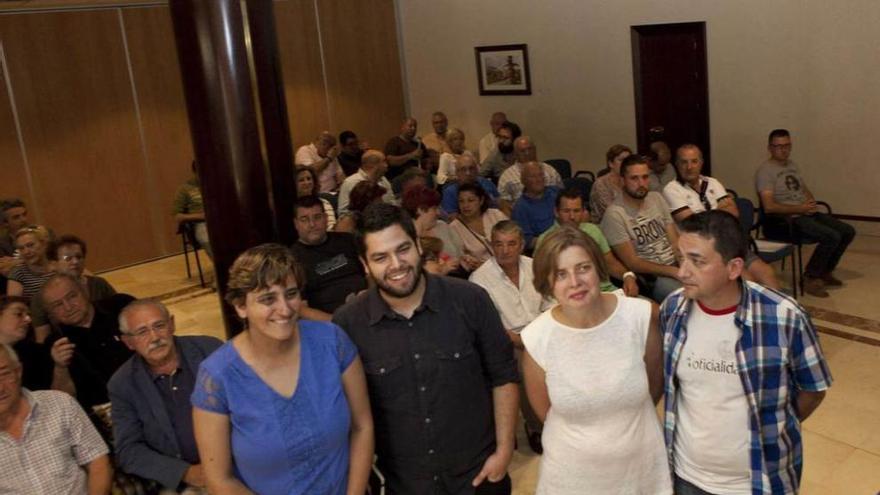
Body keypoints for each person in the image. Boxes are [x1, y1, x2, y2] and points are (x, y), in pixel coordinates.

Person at [333, 203, 519, 494]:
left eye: (402, 249)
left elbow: (503, 376)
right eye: (380, 257)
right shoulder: (348, 324)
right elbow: (349, 415)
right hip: (403, 484)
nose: (396, 264)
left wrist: (505, 450)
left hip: (479, 476)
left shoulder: (470, 300)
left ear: (418, 245)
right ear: (365, 264)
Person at [660, 210, 832, 495]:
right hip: (686, 476)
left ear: (734, 268)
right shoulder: (673, 309)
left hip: (759, 481)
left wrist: (771, 428)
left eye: (697, 261)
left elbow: (813, 390)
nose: (682, 272)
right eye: (680, 259)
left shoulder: (784, 317)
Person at [191, 244, 373, 494]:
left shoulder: (332, 342)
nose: (285, 309)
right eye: (268, 299)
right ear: (240, 306)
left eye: (291, 294)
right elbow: (219, 479)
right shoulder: (218, 377)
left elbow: (362, 426)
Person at [521, 226, 670, 494]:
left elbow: (654, 387)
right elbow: (547, 413)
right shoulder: (536, 337)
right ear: (547, 282)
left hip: (641, 468)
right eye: (561, 274)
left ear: (598, 268)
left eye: (583, 268)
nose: (575, 282)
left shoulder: (640, 316)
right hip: (573, 477)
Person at [109, 299, 222, 493]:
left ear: (172, 325)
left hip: (239, 459)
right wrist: (185, 473)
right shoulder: (122, 384)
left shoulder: (210, 350)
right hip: (185, 479)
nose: (154, 337)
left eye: (159, 326)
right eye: (142, 332)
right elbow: (128, 450)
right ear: (128, 342)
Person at [469, 220, 549, 454]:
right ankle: (536, 427)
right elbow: (489, 327)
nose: (504, 250)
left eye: (511, 244)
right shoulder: (480, 279)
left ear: (522, 245)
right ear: (491, 246)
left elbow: (550, 304)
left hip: (541, 331)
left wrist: (543, 335)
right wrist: (521, 342)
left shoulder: (535, 266)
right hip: (506, 340)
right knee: (526, 364)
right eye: (498, 244)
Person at [0, 343, 113, 495]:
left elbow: (97, 463)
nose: (0, 388)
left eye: (4, 374)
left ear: (18, 371)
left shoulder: (60, 404)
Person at [755, 129, 855, 297]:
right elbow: (769, 207)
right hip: (783, 221)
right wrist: (799, 209)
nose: (783, 150)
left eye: (787, 145)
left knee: (847, 231)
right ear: (770, 148)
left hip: (803, 213)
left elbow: (803, 188)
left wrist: (810, 202)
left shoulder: (792, 165)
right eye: (778, 146)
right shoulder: (765, 171)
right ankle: (810, 277)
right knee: (831, 236)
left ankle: (824, 271)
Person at [664, 144, 780, 289]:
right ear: (676, 164)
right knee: (748, 281)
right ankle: (749, 310)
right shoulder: (672, 189)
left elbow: (734, 215)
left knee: (767, 273)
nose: (689, 167)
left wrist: (708, 215)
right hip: (705, 249)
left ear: (701, 163)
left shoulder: (712, 183)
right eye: (684, 162)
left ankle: (778, 311)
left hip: (728, 242)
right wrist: (720, 210)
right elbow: (693, 225)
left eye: (694, 161)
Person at [41, 273, 134, 411]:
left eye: (72, 296)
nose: (68, 307)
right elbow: (63, 401)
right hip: (109, 415)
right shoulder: (54, 345)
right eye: (58, 305)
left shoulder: (121, 306)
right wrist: (60, 368)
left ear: (84, 291)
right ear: (51, 314)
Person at [601, 154, 682, 302]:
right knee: (688, 297)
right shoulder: (614, 215)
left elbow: (674, 240)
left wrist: (684, 262)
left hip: (676, 266)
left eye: (645, 177)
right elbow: (633, 263)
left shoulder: (656, 198)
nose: (641, 183)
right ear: (622, 181)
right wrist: (672, 271)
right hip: (652, 277)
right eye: (634, 178)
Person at [537, 188, 640, 297]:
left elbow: (610, 263)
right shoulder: (545, 240)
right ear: (556, 212)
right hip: (574, 297)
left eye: (576, 211)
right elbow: (545, 282)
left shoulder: (593, 230)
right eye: (566, 211)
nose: (572, 217)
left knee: (652, 310)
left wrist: (628, 276)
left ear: (583, 211)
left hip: (607, 292)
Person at [290, 195, 367, 321]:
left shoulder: (347, 240)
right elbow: (301, 309)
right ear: (296, 224)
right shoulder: (293, 259)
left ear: (326, 219)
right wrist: (337, 322)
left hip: (368, 306)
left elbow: (370, 274)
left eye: (317, 217)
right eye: (304, 219)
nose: (312, 224)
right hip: (332, 322)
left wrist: (372, 295)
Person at [31, 234, 118, 343]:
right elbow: (42, 340)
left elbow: (118, 313)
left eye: (79, 257)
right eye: (68, 258)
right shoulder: (40, 298)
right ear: (53, 264)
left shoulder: (99, 284)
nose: (75, 262)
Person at [0, 295, 63, 391]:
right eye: (19, 314)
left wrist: (60, 366)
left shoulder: (38, 354)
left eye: (28, 315)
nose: (28, 320)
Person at [401, 185, 463, 275]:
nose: (439, 212)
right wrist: (444, 269)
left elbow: (459, 253)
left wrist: (464, 261)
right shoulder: (406, 239)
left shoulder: (443, 226)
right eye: (435, 208)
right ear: (421, 210)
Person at [449, 183, 509, 272]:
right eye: (461, 201)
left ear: (481, 200)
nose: (465, 205)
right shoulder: (454, 228)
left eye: (471, 200)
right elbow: (462, 260)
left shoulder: (495, 215)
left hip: (508, 264)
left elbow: (514, 237)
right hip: (482, 272)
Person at [497, 136, 563, 214]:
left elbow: (562, 195)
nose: (527, 153)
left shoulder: (550, 171)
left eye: (530, 149)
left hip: (552, 214)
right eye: (522, 151)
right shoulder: (507, 176)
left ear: (535, 149)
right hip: (523, 215)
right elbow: (504, 205)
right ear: (515, 154)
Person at [510, 161, 559, 249]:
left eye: (540, 175)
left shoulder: (556, 192)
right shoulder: (520, 208)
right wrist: (555, 241)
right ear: (523, 180)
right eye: (533, 176)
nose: (538, 179)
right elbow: (527, 242)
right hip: (545, 249)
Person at [338, 149, 395, 215]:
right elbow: (343, 213)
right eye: (384, 161)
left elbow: (392, 203)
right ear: (374, 164)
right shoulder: (350, 182)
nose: (387, 165)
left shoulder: (384, 180)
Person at [173, 161, 212, 258]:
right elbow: (178, 216)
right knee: (207, 238)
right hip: (201, 223)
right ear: (196, 172)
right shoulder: (185, 189)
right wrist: (201, 216)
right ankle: (224, 268)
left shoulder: (216, 184)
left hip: (222, 220)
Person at [6, 225, 53, 298]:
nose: (26, 252)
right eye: (21, 248)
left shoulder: (58, 268)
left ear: (44, 244)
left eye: (30, 245)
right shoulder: (18, 273)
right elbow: (14, 306)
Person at [590, 144, 632, 222]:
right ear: (611, 163)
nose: (626, 164)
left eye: (628, 160)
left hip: (629, 222)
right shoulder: (601, 184)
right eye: (622, 160)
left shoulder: (630, 182)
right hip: (605, 225)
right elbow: (610, 212)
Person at [294, 165, 337, 229]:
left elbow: (330, 228)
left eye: (309, 179)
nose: (307, 182)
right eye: (301, 180)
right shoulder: (289, 207)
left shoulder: (324, 203)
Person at [0, 198, 30, 277]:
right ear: (5, 223)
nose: (23, 220)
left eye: (24, 215)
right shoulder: (2, 246)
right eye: (16, 217)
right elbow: (4, 270)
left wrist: (16, 262)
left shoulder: (45, 234)